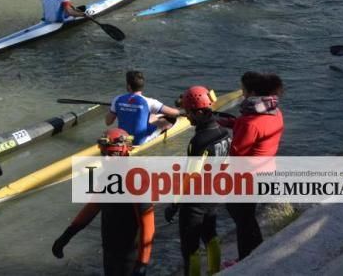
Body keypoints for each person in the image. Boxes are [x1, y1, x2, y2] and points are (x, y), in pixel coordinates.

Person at [51, 127, 156, 275]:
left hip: (129, 255)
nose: (106, 158)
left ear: (124, 152)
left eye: (112, 154)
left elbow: (148, 226)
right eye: (104, 153)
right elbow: (93, 207)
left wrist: (142, 263)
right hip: (109, 250)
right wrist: (67, 235)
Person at [165, 86, 231, 276]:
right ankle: (215, 272)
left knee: (190, 248)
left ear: (200, 112)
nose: (187, 117)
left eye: (189, 113)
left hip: (195, 202)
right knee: (211, 236)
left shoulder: (200, 140)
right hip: (215, 195)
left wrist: (174, 204)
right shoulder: (223, 132)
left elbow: (190, 176)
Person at [222, 72, 285, 259]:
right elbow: (254, 129)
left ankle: (245, 260)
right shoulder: (275, 112)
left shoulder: (247, 122)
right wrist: (228, 122)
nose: (242, 93)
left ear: (251, 93)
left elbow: (237, 154)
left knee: (240, 217)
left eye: (243, 90)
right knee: (247, 216)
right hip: (266, 173)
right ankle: (258, 251)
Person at [106, 71, 181, 146]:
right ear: (142, 86)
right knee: (166, 122)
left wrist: (120, 108)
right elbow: (176, 113)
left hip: (123, 138)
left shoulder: (117, 99)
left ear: (129, 86)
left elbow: (108, 122)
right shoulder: (150, 102)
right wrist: (179, 108)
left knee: (152, 116)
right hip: (139, 142)